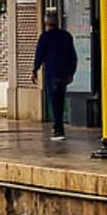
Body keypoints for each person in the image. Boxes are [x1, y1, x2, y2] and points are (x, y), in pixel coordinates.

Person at [32, 9, 77, 141]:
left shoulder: (45, 37)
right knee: (60, 99)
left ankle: (58, 128)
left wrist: (34, 69)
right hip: (63, 73)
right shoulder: (66, 36)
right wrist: (71, 72)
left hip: (51, 73)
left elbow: (39, 54)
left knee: (53, 100)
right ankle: (59, 126)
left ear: (46, 23)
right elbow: (72, 56)